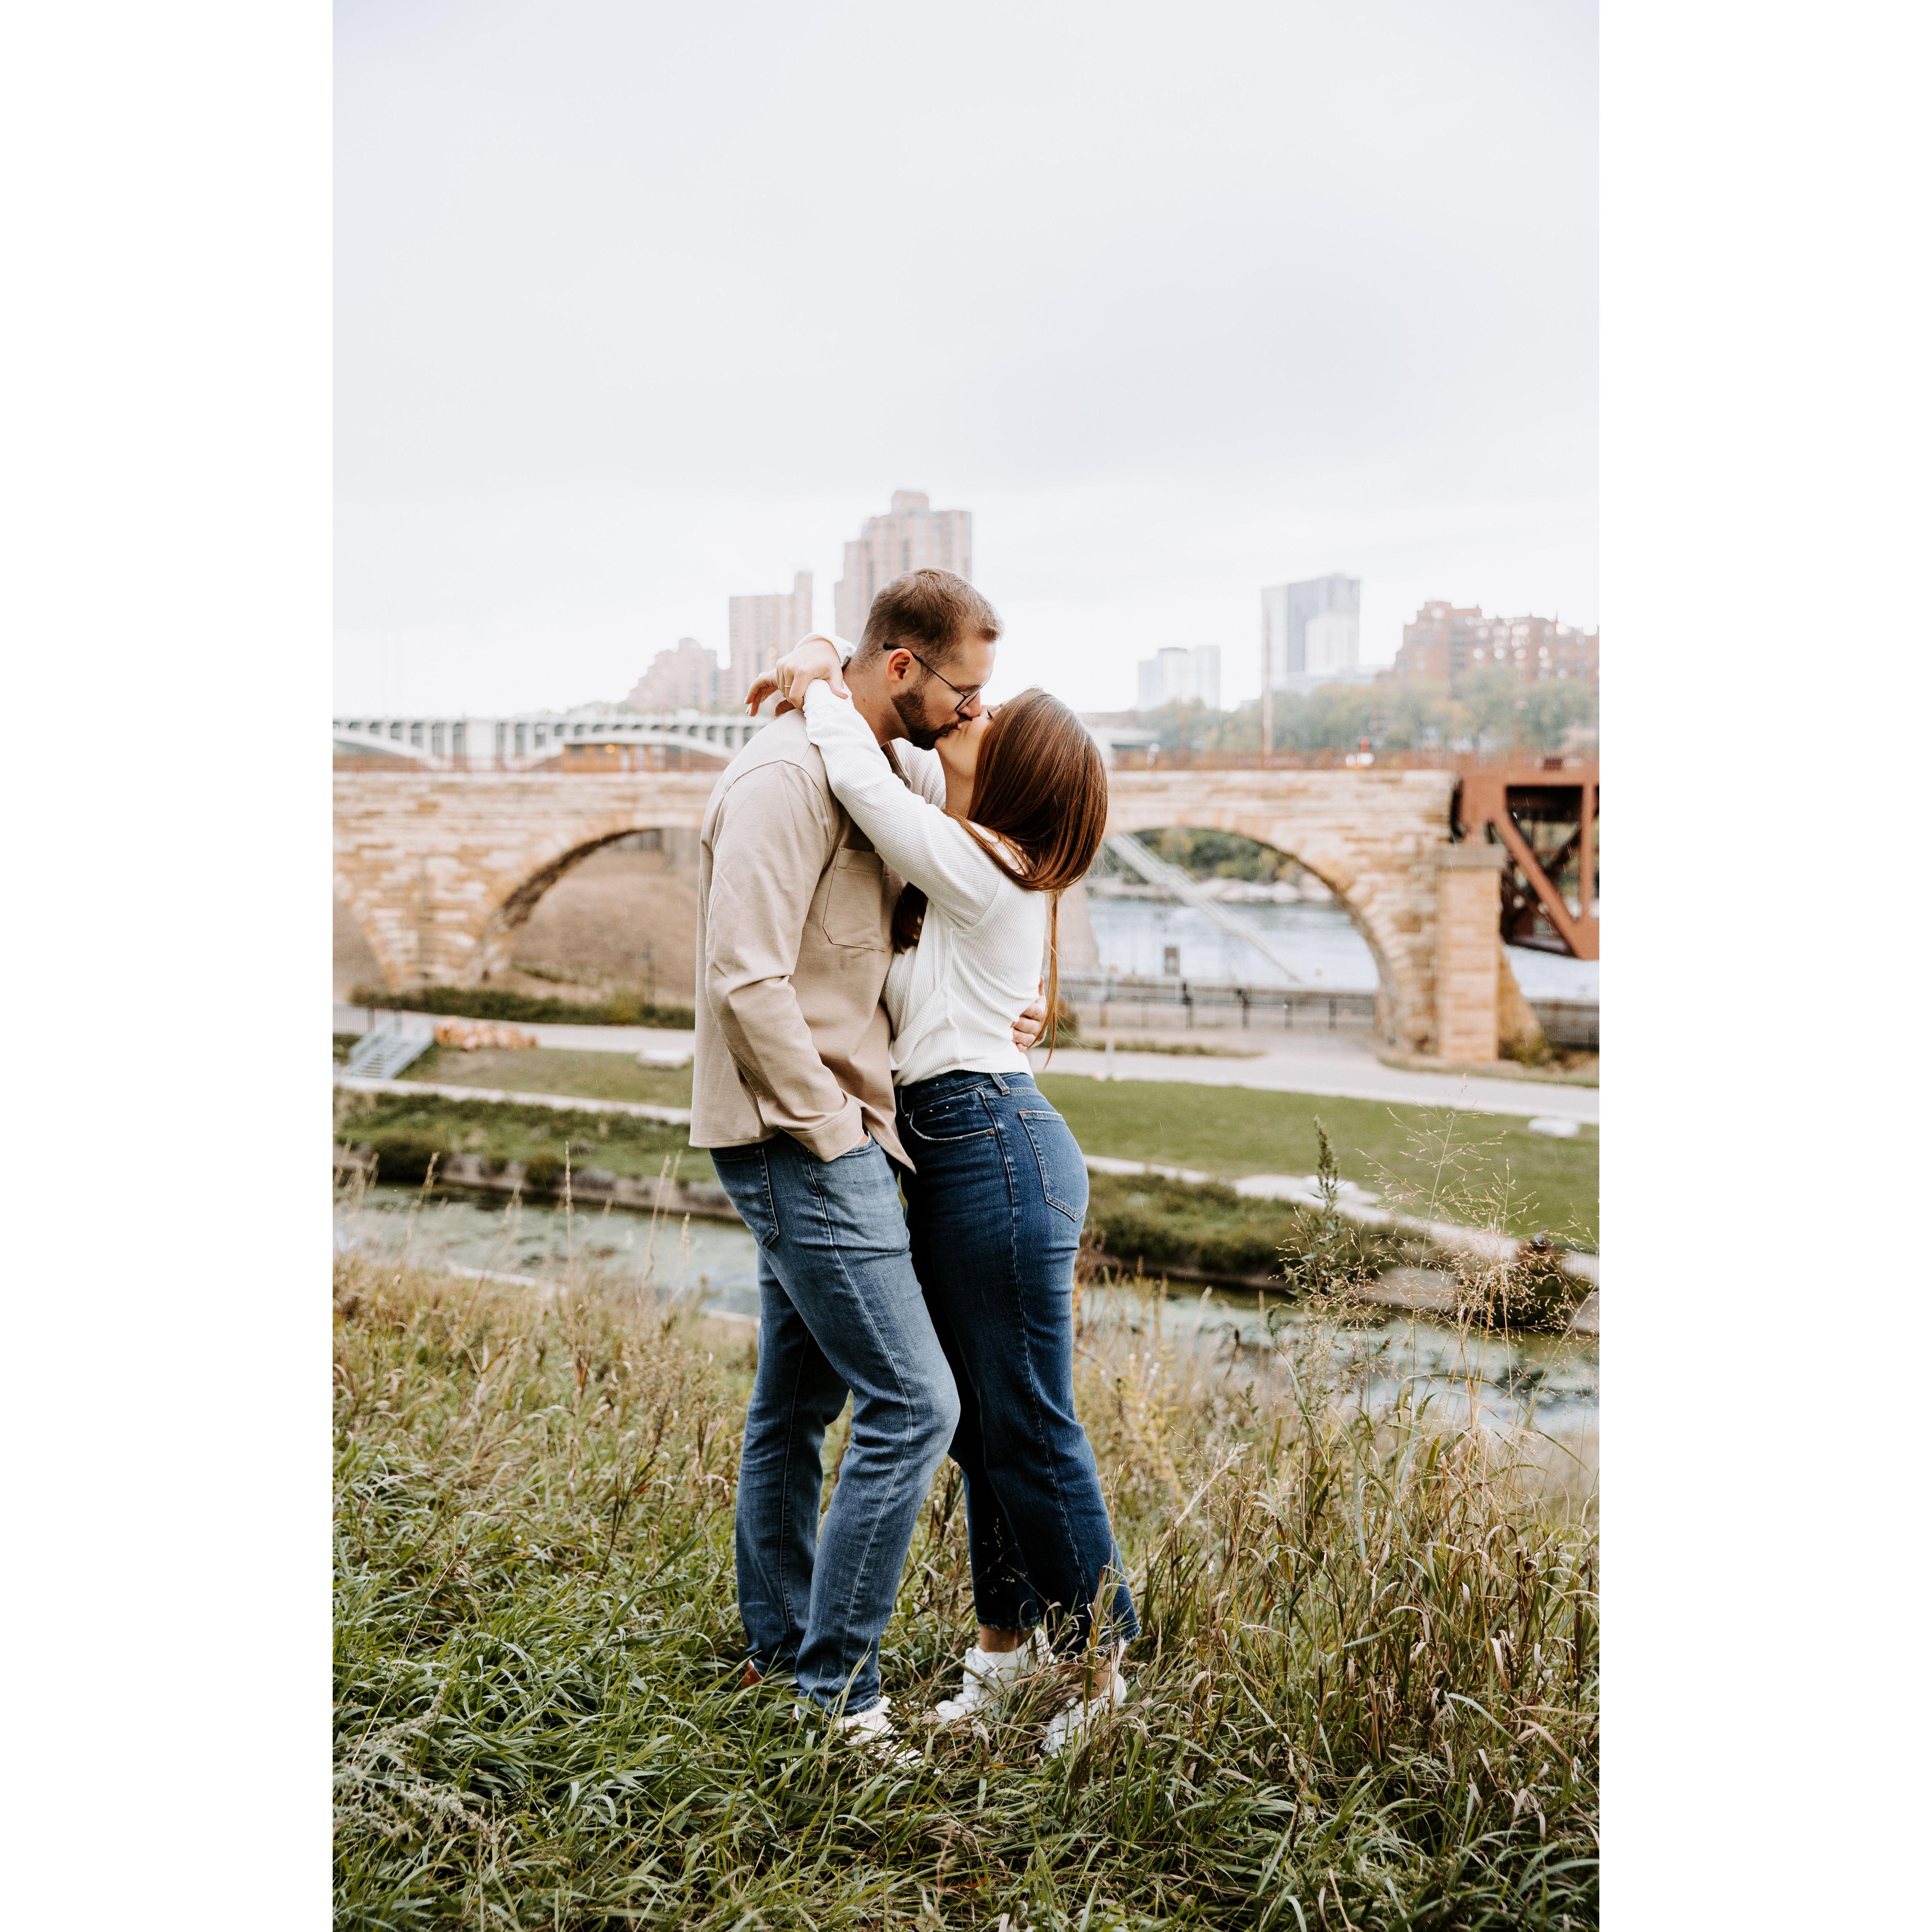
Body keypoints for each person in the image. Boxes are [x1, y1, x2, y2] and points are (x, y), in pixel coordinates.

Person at [692, 568, 1045, 1757]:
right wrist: (831, 1130)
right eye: (964, 692)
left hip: (846, 1126)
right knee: (916, 1404)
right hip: (803, 1135)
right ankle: (838, 1696)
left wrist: (1019, 1000)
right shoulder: (783, 781)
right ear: (903, 668)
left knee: (795, 1407)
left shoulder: (884, 763)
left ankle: (780, 1646)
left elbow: (982, 875)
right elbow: (746, 978)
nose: (975, 712)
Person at [767, 634, 1138, 1755]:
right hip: (960, 1143)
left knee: (1027, 1426)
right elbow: (899, 740)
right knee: (982, 1430)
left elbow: (866, 778)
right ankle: (1001, 1659)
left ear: (1016, 772)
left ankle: (1106, 1674)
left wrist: (817, 688)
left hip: (994, 1147)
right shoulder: (969, 848)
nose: (966, 716)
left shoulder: (988, 865)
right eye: (972, 703)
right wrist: (827, 657)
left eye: (989, 719)